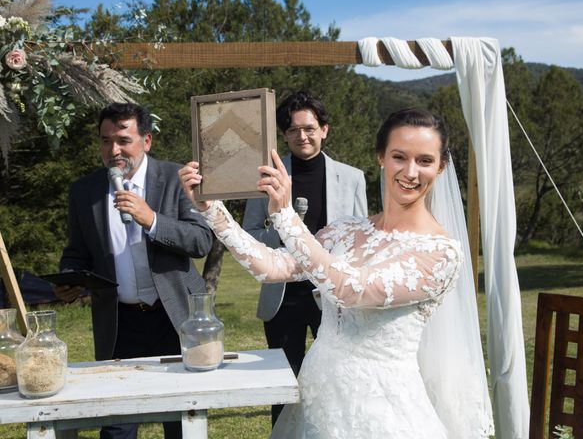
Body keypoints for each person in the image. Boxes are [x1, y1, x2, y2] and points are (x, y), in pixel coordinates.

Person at [179, 108, 472, 438]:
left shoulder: (440, 253)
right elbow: (274, 267)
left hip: (380, 410)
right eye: (399, 157)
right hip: (317, 396)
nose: (410, 171)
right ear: (381, 158)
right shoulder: (347, 229)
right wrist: (212, 211)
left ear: (441, 167)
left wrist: (286, 217)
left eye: (425, 161)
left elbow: (350, 289)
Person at [56, 102, 214, 439]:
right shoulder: (84, 192)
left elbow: (202, 240)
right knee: (117, 426)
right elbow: (77, 253)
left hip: (175, 318)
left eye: (123, 140)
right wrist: (70, 277)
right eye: (105, 141)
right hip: (119, 323)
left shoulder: (175, 178)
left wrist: (152, 220)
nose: (113, 150)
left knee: (183, 420)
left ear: (147, 141)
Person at [242, 91, 367, 424]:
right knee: (283, 384)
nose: (302, 136)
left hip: (332, 296)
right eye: (294, 130)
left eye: (310, 128)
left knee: (337, 379)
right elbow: (251, 234)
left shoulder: (352, 177)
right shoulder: (268, 176)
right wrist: (281, 225)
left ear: (324, 129)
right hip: (283, 298)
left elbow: (360, 239)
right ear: (285, 135)